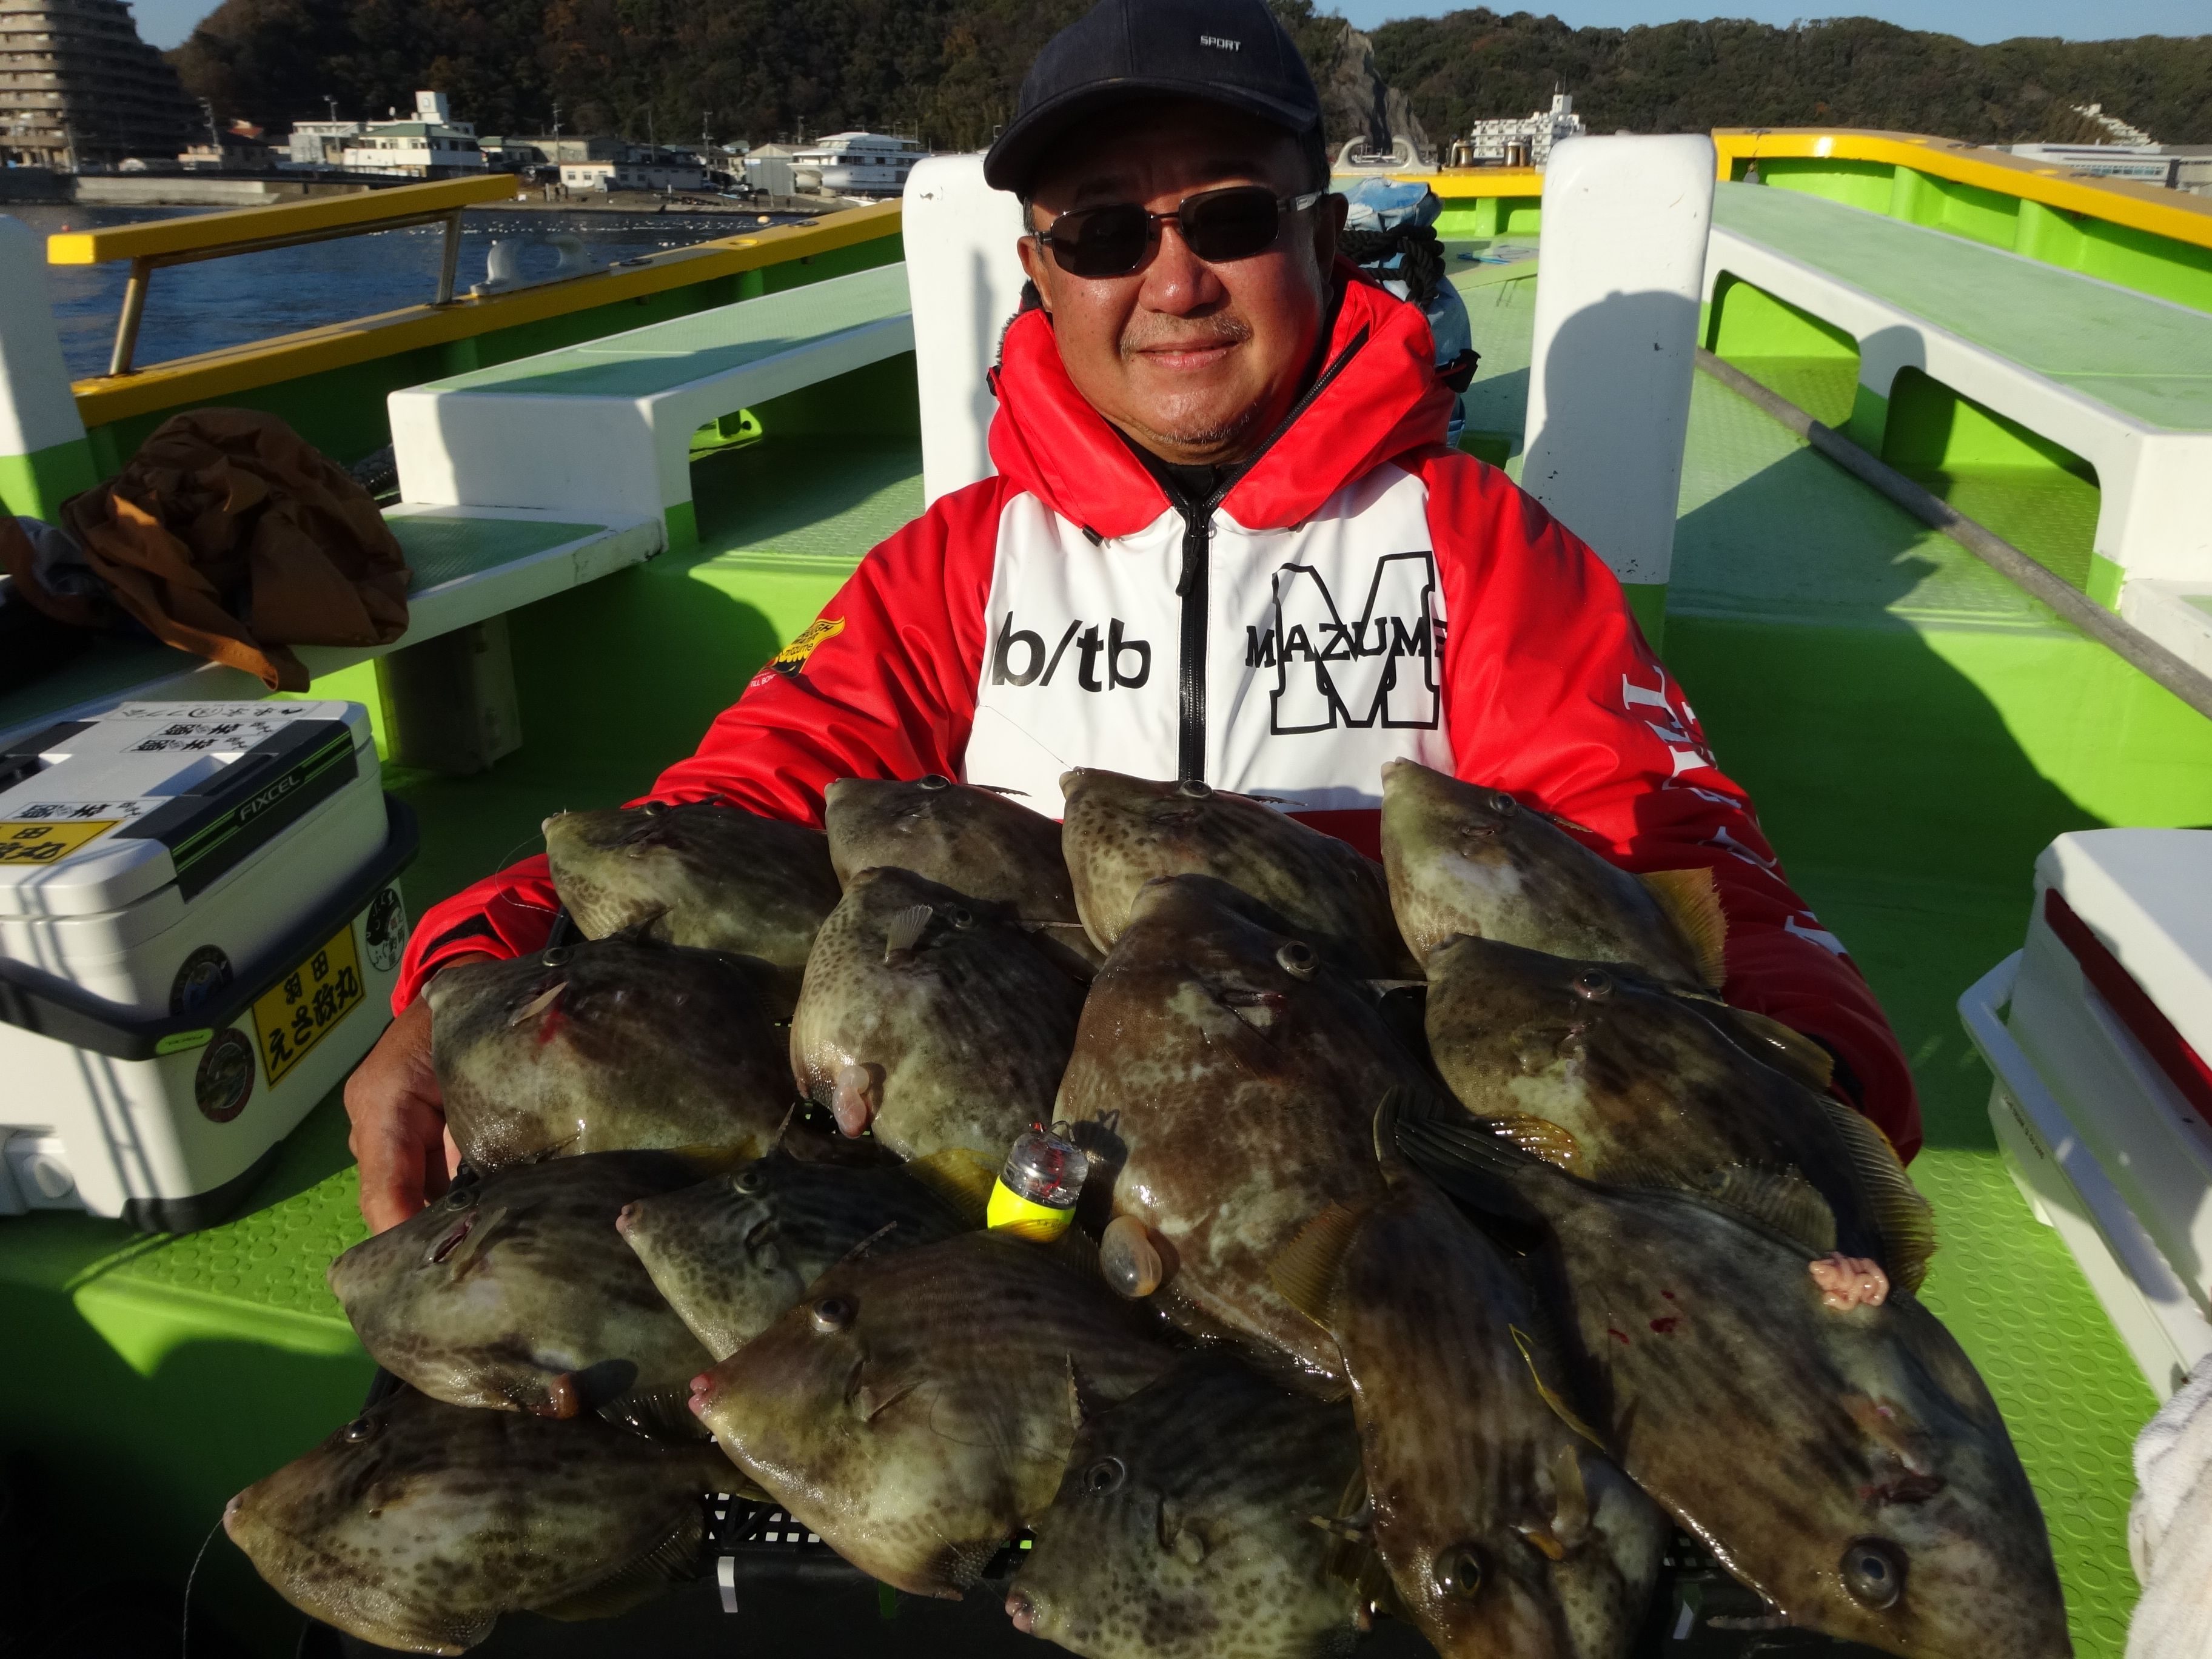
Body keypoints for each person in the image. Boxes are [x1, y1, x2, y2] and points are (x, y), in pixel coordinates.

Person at [345, 0, 1920, 1232]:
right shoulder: (952, 563)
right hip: (1007, 1175)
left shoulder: (1475, 542)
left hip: (1390, 1174)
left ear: (1319, 241)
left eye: (1228, 219)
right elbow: (731, 811)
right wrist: (473, 973)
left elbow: (1660, 838)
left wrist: (1813, 1076)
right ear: (1041, 273)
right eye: (1105, 235)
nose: (1173, 283)